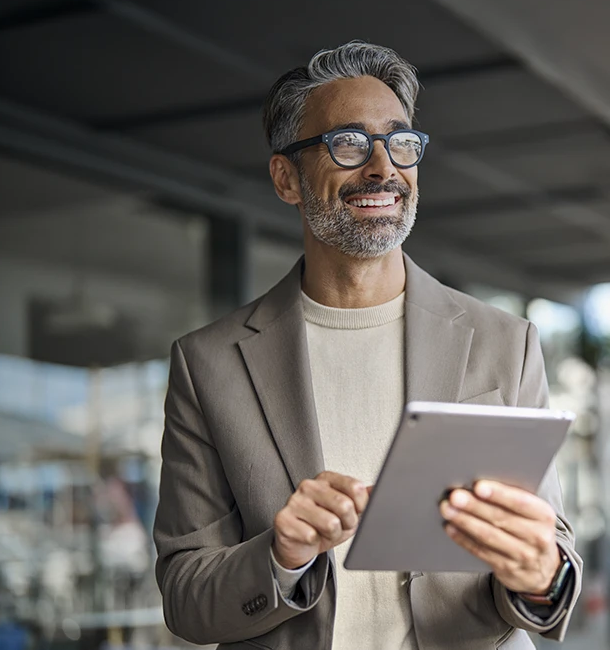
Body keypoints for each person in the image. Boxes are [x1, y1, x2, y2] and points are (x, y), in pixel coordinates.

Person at [153, 42, 580, 649]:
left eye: (400, 143)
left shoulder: (504, 342)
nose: (383, 169)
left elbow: (549, 545)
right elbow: (185, 596)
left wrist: (541, 576)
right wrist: (282, 557)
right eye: (349, 143)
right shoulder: (208, 365)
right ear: (286, 178)